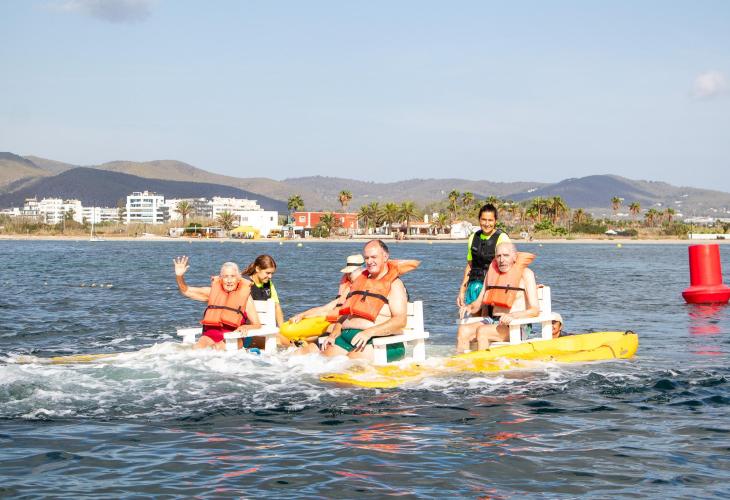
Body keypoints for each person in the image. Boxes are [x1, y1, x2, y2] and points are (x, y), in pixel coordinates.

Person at [322, 240, 419, 363]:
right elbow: (345, 315)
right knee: (322, 362)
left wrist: (369, 333)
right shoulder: (360, 281)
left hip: (381, 341)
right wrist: (334, 333)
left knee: (347, 364)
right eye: (366, 258)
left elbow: (400, 321)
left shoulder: (395, 285)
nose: (369, 261)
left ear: (385, 257)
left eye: (374, 257)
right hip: (348, 337)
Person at [456, 242, 539, 352]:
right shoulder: (491, 274)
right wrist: (468, 307)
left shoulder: (526, 274)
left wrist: (513, 316)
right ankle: (461, 361)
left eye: (506, 255)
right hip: (493, 321)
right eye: (498, 256)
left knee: (483, 331)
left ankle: (483, 361)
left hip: (517, 325)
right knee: (463, 330)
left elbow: (535, 310)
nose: (501, 260)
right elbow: (478, 304)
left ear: (515, 257)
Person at [173, 256, 261, 350]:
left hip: (232, 337)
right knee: (197, 348)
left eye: (232, 276)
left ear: (238, 278)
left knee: (216, 348)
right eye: (225, 276)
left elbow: (257, 324)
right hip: (209, 336)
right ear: (221, 278)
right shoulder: (211, 293)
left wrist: (245, 327)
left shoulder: (246, 298)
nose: (229, 280)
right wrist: (179, 276)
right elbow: (185, 290)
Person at [288, 254, 365, 354]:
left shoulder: (365, 290)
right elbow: (325, 308)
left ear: (362, 271)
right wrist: (302, 315)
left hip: (340, 333)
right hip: (332, 329)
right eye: (347, 273)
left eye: (350, 273)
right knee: (300, 348)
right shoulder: (349, 290)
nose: (348, 276)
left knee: (301, 351)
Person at [457, 203, 511, 307]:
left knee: (489, 317)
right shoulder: (473, 237)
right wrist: (462, 291)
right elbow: (470, 266)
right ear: (479, 220)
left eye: (490, 220)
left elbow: (512, 265)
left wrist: (526, 284)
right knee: (471, 315)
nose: (487, 224)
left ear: (495, 221)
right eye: (484, 220)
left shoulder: (502, 238)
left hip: (493, 288)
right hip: (474, 287)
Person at [241, 254, 288, 346]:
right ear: (257, 269)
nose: (270, 276)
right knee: (280, 341)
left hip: (265, 330)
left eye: (272, 273)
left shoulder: (269, 284)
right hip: (248, 334)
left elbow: (277, 307)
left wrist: (282, 330)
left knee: (286, 338)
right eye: (267, 273)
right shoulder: (245, 283)